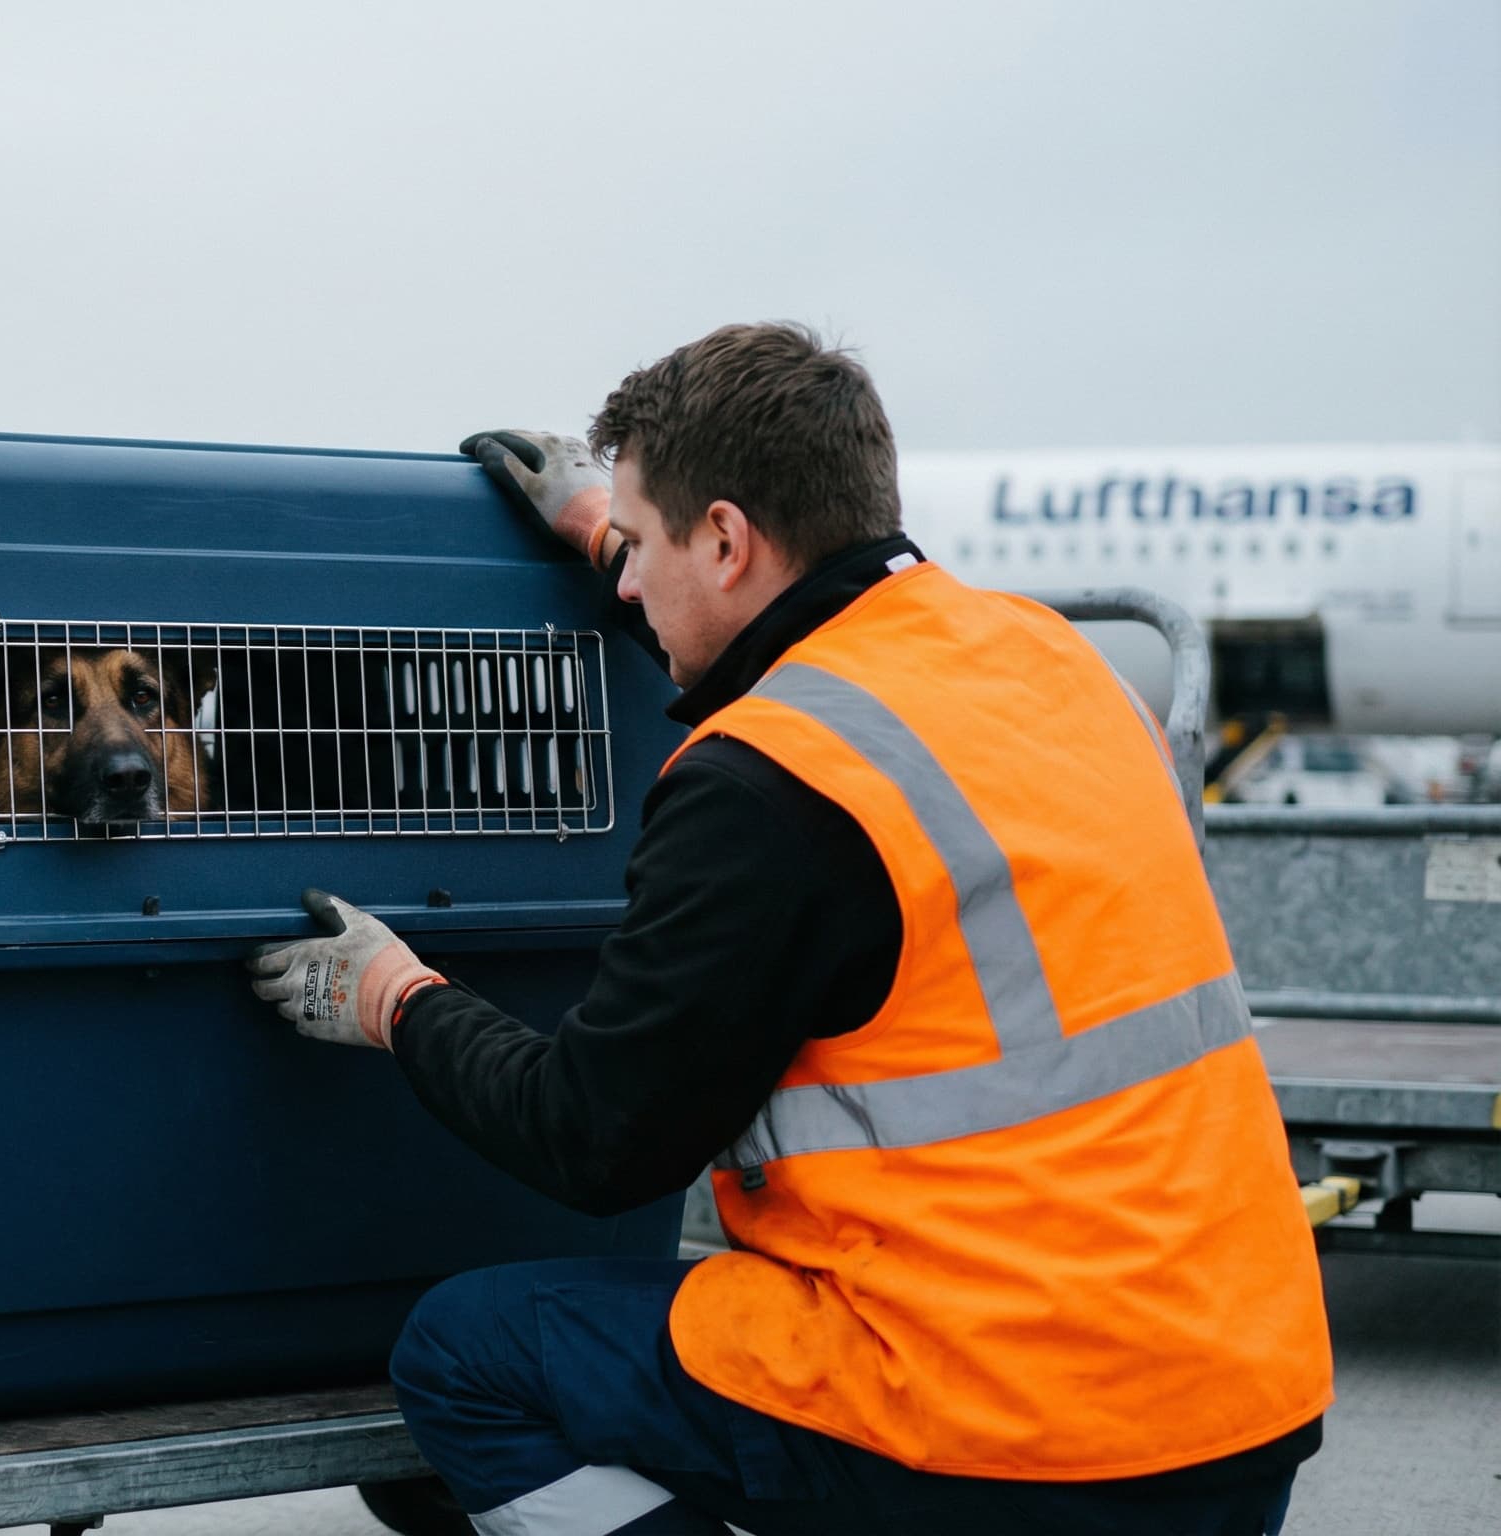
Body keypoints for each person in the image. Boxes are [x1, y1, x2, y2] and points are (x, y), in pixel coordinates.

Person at [247, 323, 1329, 1536]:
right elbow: (813, 618)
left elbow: (595, 1139)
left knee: (469, 1357)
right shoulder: (1052, 660)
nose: (621, 585)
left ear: (723, 539)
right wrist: (609, 519)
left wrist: (395, 997)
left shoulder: (771, 784)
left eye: (642, 548)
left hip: (1009, 1432)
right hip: (1235, 1411)